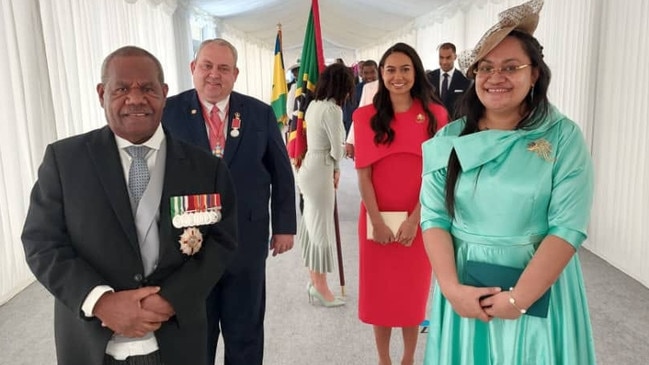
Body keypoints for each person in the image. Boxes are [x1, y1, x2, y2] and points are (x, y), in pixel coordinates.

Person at [21, 46, 238, 365]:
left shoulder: (206, 169)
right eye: (121, 88)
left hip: (177, 341)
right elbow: (42, 243)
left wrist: (171, 298)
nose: (135, 99)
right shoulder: (65, 161)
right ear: (101, 93)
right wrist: (100, 301)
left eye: (147, 88)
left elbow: (222, 241)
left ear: (164, 93)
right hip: (92, 344)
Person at [420, 1, 596, 364]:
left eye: (511, 67)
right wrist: (452, 290)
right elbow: (434, 217)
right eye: (486, 68)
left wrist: (519, 299)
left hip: (537, 288)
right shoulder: (449, 138)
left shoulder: (563, 137)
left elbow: (567, 228)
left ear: (534, 74)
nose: (496, 77)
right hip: (464, 285)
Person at [161, 39, 297, 365]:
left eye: (223, 68)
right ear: (193, 68)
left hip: (245, 241)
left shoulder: (259, 113)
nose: (214, 75)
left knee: (245, 331)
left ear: (235, 74)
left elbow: (281, 173)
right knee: (195, 332)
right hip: (188, 246)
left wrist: (285, 227)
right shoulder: (168, 112)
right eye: (206, 66)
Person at [353, 42, 449, 365]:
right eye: (390, 69)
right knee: (380, 296)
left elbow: (436, 176)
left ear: (416, 72)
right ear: (381, 74)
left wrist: (415, 220)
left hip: (419, 220)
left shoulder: (436, 115)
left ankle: (408, 358)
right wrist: (378, 221)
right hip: (376, 219)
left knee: (411, 295)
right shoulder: (365, 116)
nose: (398, 76)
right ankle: (384, 359)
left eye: (405, 69)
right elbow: (364, 176)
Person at [297, 63, 355, 307]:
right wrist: (340, 162)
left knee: (312, 224)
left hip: (309, 164)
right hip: (322, 166)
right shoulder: (332, 110)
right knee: (321, 227)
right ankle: (321, 287)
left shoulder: (313, 105)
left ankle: (314, 281)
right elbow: (336, 149)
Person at [426, 42, 470, 119]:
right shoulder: (428, 78)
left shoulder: (465, 79)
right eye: (441, 57)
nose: (444, 62)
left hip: (455, 124)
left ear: (455, 57)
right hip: (433, 123)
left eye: (448, 58)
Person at [345, 61, 379, 159]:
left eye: (372, 72)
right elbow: (354, 115)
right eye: (366, 73)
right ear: (361, 73)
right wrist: (350, 140)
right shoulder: (357, 90)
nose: (369, 76)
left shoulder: (386, 87)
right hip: (365, 134)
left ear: (378, 71)